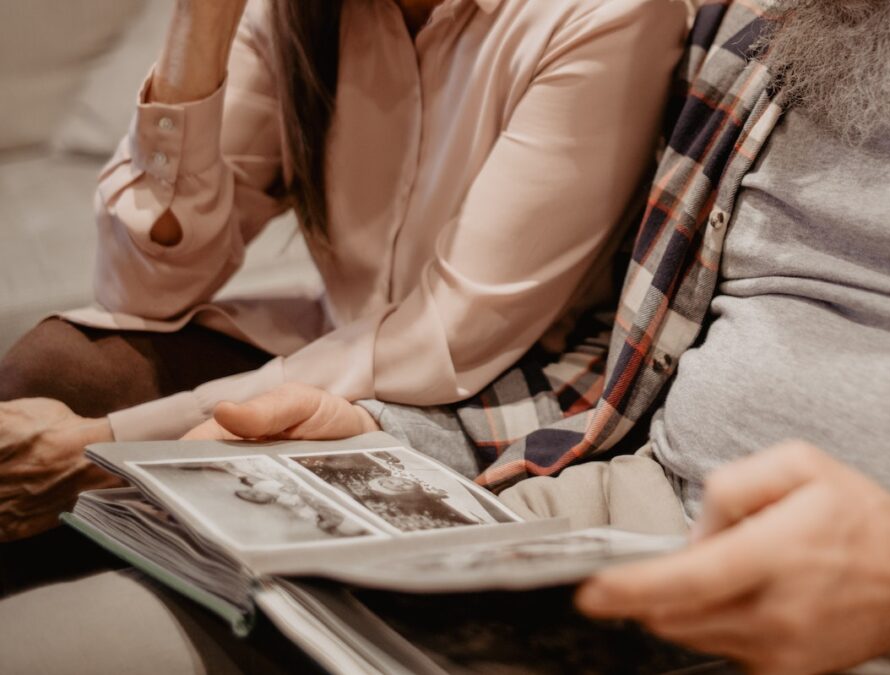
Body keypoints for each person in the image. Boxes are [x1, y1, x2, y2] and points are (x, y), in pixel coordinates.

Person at [4, 0, 890, 673]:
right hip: (610, 516)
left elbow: (461, 322)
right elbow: (614, 359)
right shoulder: (765, 27)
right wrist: (375, 437)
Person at [0, 0, 688, 584]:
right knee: (56, 370)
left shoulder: (607, 14)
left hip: (510, 387)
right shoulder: (298, 11)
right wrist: (198, 27)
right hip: (354, 342)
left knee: (74, 427)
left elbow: (445, 335)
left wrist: (114, 447)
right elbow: (142, 285)